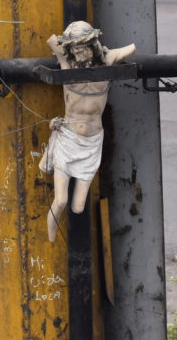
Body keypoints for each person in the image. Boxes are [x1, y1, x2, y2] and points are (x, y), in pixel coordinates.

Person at [39, 21, 135, 242]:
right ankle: (51, 238)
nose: (78, 52)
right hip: (69, 136)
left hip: (92, 141)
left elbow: (132, 48)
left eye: (82, 47)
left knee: (78, 207)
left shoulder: (106, 62)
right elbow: (52, 40)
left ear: (92, 45)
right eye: (74, 48)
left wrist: (104, 51)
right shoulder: (67, 64)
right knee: (61, 200)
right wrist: (69, 39)